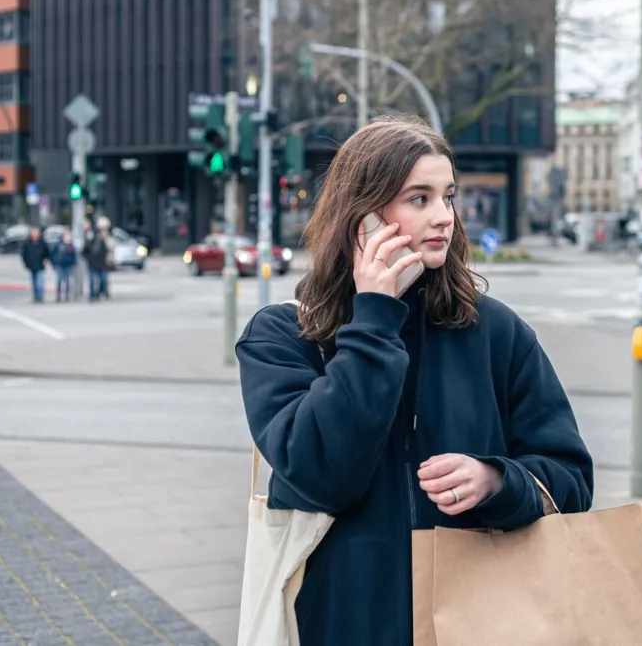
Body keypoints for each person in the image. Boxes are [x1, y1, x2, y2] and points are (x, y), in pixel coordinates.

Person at [236, 116, 594, 645]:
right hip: (342, 624)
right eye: (418, 198)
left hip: (479, 619)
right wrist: (374, 319)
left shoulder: (494, 331)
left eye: (448, 196)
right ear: (363, 216)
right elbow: (318, 474)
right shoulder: (284, 336)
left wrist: (497, 481)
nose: (444, 217)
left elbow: (571, 477)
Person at [83, 218, 112, 301]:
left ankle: (101, 293)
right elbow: (85, 249)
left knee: (103, 279)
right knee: (92, 279)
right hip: (93, 262)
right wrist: (88, 258)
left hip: (102, 262)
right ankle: (93, 295)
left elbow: (108, 248)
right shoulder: (90, 234)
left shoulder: (104, 236)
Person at [20, 226, 49, 303]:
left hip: (40, 265)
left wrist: (46, 260)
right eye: (33, 232)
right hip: (31, 266)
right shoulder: (27, 242)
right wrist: (26, 263)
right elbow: (24, 254)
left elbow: (47, 252)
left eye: (36, 232)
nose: (35, 234)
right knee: (34, 283)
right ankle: (35, 297)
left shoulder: (42, 242)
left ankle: (40, 297)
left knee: (40, 282)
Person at [51, 229, 77, 302]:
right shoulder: (58, 244)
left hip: (68, 265)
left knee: (68, 281)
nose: (67, 237)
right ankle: (58, 296)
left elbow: (74, 256)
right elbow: (53, 254)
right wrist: (54, 263)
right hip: (60, 265)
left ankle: (67, 296)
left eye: (68, 236)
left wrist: (73, 263)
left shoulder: (71, 245)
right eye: (65, 236)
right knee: (59, 281)